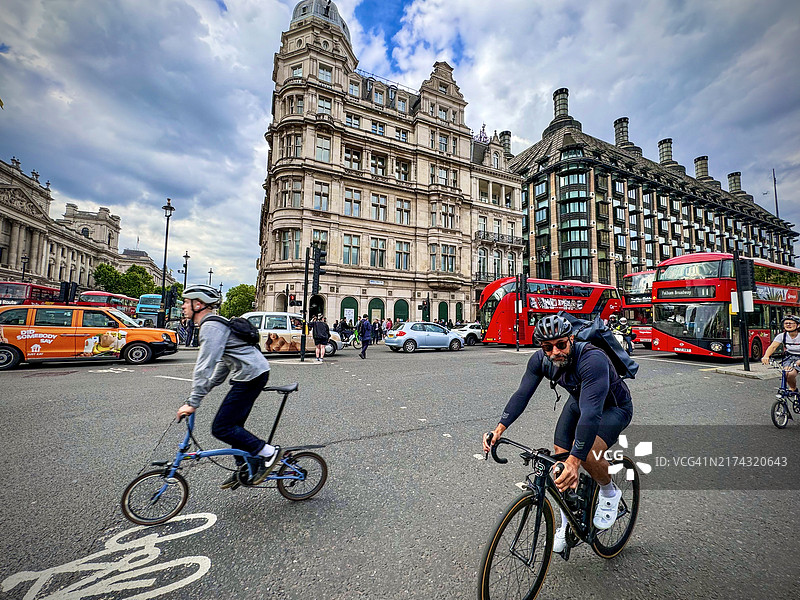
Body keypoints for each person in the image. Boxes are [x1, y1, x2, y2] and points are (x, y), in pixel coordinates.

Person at [482, 314, 633, 553]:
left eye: (561, 345)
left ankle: (609, 491)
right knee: (559, 460)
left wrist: (576, 460)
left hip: (612, 407)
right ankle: (567, 523)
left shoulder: (592, 358)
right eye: (547, 347)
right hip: (578, 402)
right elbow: (522, 394)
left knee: (585, 454)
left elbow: (591, 415)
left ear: (571, 339)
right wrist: (499, 429)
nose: (555, 352)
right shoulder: (540, 360)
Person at [175, 284, 280, 489]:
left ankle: (269, 453)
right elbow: (222, 364)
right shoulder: (214, 324)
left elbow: (204, 366)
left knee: (222, 427)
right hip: (250, 373)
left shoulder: (210, 327)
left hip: (252, 375)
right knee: (233, 426)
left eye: (186, 302)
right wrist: (200, 394)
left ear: (198, 304)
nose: (183, 306)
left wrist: (194, 402)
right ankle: (245, 467)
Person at [762, 315, 800, 392]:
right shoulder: (782, 336)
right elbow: (773, 347)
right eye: (786, 323)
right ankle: (793, 388)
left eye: (791, 323)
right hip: (790, 356)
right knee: (788, 373)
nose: (788, 325)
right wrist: (766, 356)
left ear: (798, 325)